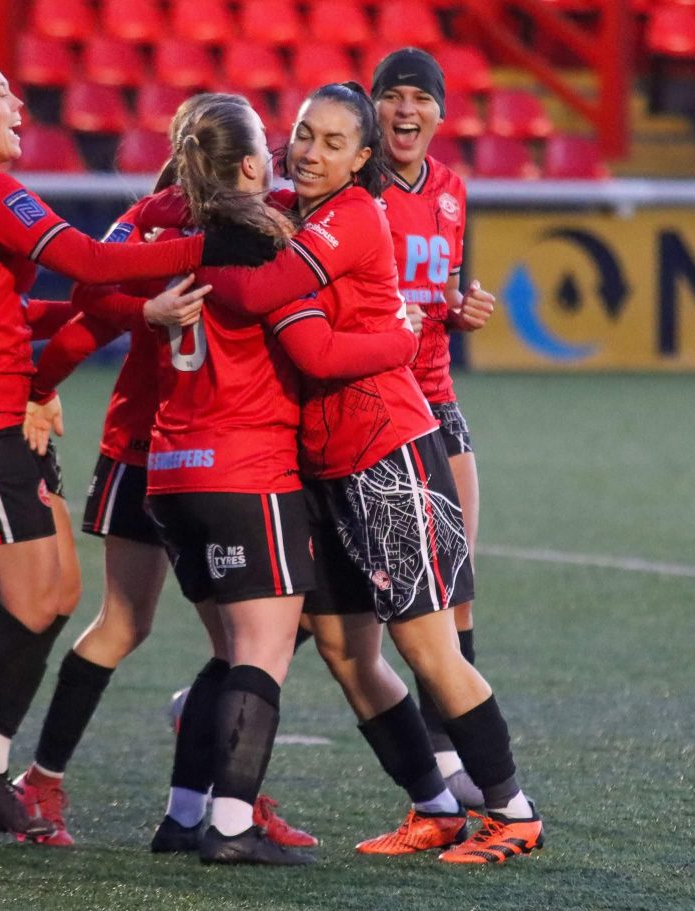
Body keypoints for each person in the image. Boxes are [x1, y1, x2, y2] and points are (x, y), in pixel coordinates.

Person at [0, 54, 276, 844]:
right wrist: (206, 250)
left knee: (57, 593)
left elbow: (16, 309)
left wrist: (128, 315)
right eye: (0, 94)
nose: (17, 103)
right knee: (31, 599)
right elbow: (91, 264)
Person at [196, 82, 544, 865]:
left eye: (332, 142)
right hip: (328, 467)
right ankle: (435, 809)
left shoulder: (351, 215)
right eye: (302, 134)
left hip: (390, 455)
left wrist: (398, 339)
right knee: (344, 649)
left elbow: (301, 336)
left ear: (361, 159)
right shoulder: (293, 212)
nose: (309, 152)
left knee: (430, 648)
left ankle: (514, 812)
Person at [10, 93, 319, 851]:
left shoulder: (153, 217)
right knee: (228, 637)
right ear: (247, 160)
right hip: (188, 450)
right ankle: (201, 789)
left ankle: (175, 780)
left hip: (152, 450)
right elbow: (94, 302)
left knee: (193, 635)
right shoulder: (262, 219)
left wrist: (43, 384)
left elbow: (88, 303)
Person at [141, 95, 420, 866]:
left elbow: (108, 268)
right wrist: (400, 336)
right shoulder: (266, 242)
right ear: (251, 164)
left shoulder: (177, 229)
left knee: (229, 652)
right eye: (284, 143)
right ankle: (232, 825)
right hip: (244, 465)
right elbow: (311, 346)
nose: (294, 158)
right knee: (262, 652)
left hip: (170, 469)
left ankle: (183, 813)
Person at [372, 46, 497, 811]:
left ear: (441, 113)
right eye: (393, 95)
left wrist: (461, 307)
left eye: (420, 97)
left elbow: (440, 289)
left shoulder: (451, 188)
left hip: (436, 396)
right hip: (377, 400)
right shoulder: (357, 186)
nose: (406, 108)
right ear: (374, 107)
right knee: (339, 605)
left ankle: (451, 758)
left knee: (457, 587)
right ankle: (218, 694)